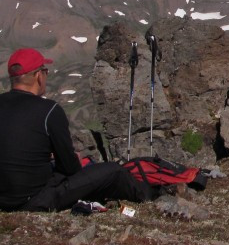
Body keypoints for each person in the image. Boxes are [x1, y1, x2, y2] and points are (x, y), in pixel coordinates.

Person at [0, 48, 153, 212]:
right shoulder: (49, 110)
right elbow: (69, 168)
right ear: (38, 75)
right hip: (35, 200)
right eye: (45, 71)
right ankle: (152, 197)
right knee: (113, 171)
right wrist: (74, 159)